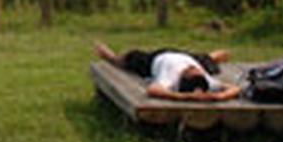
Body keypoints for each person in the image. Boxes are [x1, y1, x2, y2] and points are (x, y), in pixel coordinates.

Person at [95, 41, 241, 102]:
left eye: (191, 71)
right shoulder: (205, 81)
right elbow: (235, 88)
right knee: (213, 59)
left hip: (157, 58)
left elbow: (153, 90)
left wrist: (182, 97)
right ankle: (210, 56)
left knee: (132, 57)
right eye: (197, 71)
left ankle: (112, 58)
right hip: (187, 56)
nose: (195, 69)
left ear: (183, 77)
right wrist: (220, 96)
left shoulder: (170, 79)